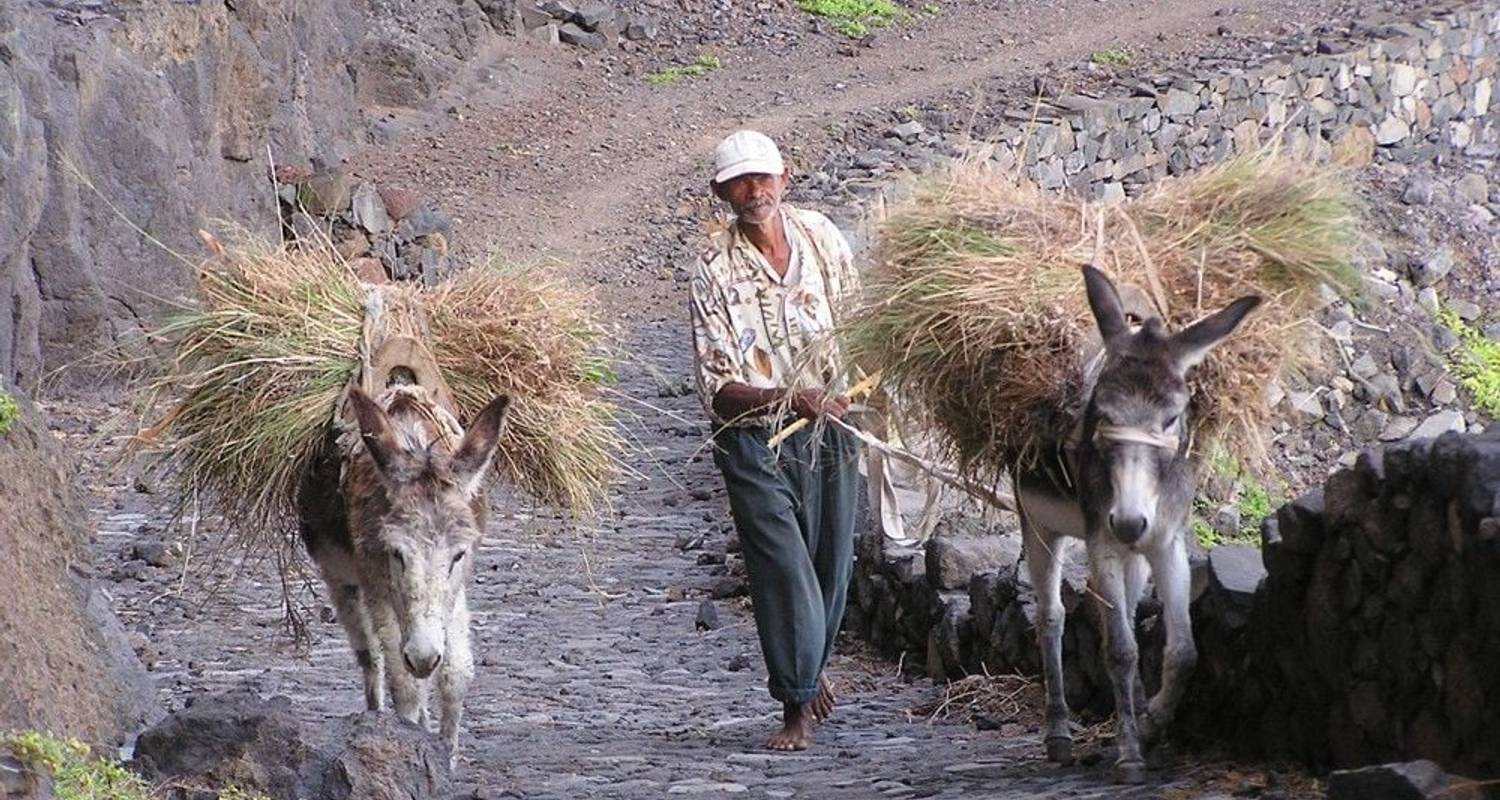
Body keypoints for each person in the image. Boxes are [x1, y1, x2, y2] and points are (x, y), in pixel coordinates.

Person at [688, 129, 863, 752]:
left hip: (832, 429)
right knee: (783, 568)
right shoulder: (712, 270)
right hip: (755, 441)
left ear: (785, 178)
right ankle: (795, 705)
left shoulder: (820, 236)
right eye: (739, 181)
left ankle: (811, 668)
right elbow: (719, 387)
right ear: (721, 193)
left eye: (763, 177)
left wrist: (855, 393)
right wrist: (791, 399)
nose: (754, 190)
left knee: (830, 563)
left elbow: (857, 319)